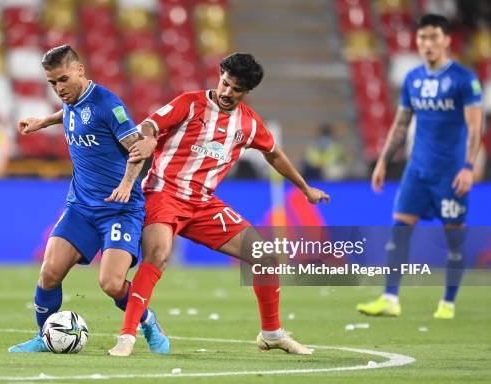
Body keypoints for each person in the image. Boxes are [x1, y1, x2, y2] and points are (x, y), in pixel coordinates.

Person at [107, 52, 330, 356]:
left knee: (264, 257)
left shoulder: (248, 124)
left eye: (236, 89)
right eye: (225, 83)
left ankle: (272, 333)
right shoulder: (190, 103)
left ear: (247, 92)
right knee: (158, 254)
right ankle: (127, 336)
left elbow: (274, 154)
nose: (227, 92)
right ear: (220, 75)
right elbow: (150, 125)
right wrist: (147, 139)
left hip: (202, 204)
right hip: (164, 194)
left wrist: (305, 188)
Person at [8, 45, 169, 353]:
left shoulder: (109, 105)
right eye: (52, 83)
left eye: (63, 80)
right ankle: (46, 337)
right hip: (81, 207)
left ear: (80, 70)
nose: (58, 89)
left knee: (110, 283)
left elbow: (138, 149)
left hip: (119, 210)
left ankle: (147, 320)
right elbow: (71, 113)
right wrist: (43, 122)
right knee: (49, 273)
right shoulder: (71, 100)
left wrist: (126, 184)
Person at [357, 14, 483, 319]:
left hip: (450, 173)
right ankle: (390, 298)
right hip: (417, 170)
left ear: (446, 40)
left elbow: (475, 127)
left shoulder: (464, 80)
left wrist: (468, 166)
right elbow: (401, 124)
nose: (427, 43)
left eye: (433, 37)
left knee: (454, 236)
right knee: (399, 229)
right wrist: (384, 161)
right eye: (422, 37)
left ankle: (448, 303)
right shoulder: (413, 79)